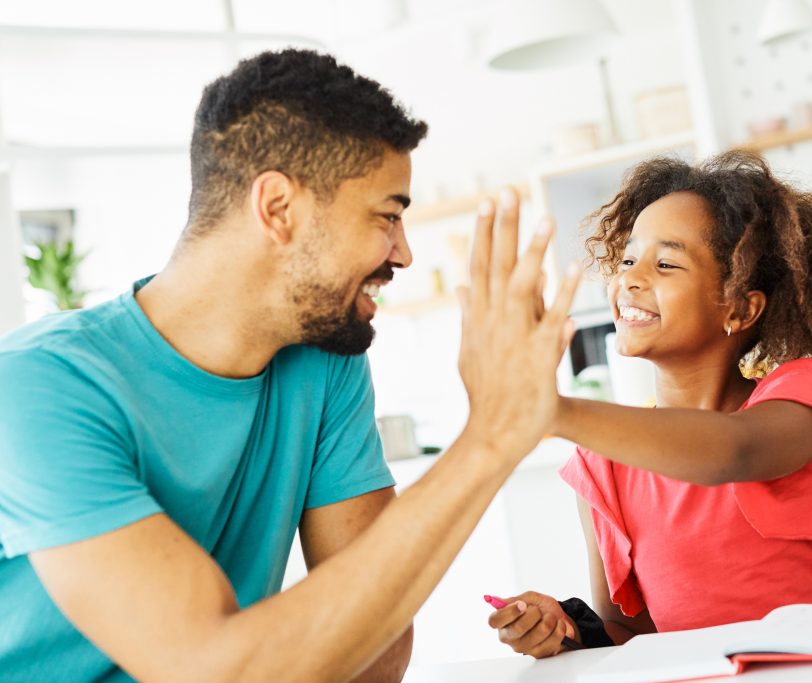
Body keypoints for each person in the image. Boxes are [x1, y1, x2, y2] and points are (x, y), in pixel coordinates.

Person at [0, 49, 579, 682]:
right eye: (387, 216)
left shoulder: (324, 361)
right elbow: (211, 668)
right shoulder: (38, 387)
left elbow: (376, 658)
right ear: (277, 208)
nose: (404, 253)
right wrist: (489, 438)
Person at [487, 151, 812, 658]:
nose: (630, 279)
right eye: (628, 259)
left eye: (666, 264)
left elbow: (731, 453)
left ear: (740, 307)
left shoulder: (803, 399)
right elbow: (629, 634)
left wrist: (559, 411)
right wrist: (563, 629)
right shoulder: (601, 463)